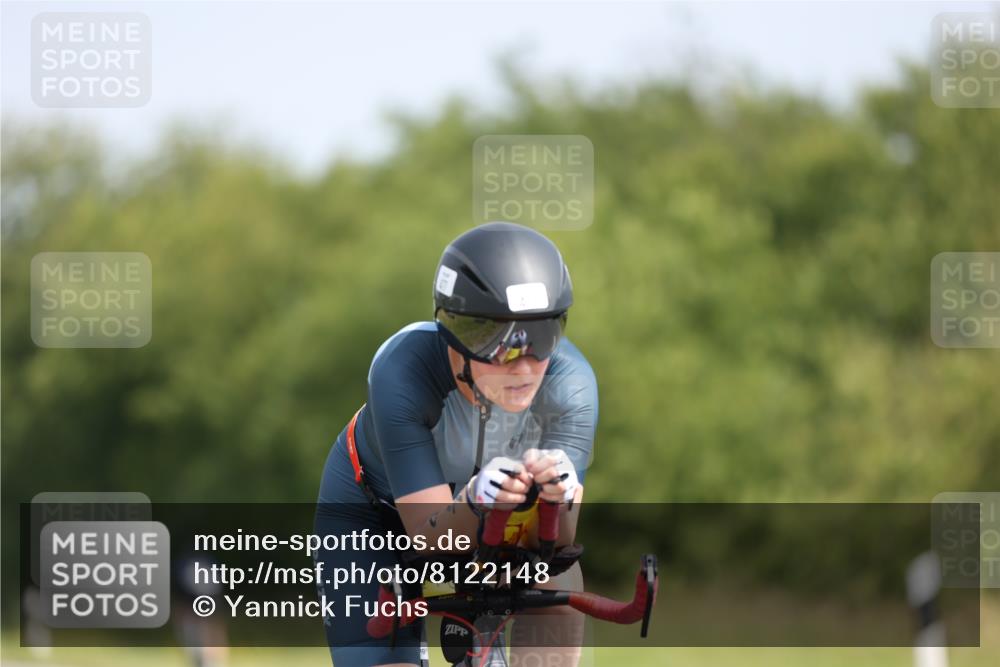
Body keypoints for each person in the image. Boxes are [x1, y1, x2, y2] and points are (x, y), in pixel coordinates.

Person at [314, 221, 598, 666]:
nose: (524, 366)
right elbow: (430, 535)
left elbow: (559, 541)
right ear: (461, 335)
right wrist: (475, 498)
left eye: (544, 336)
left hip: (487, 518)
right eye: (502, 344)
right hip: (374, 515)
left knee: (557, 580)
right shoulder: (403, 369)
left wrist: (557, 499)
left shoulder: (572, 384)